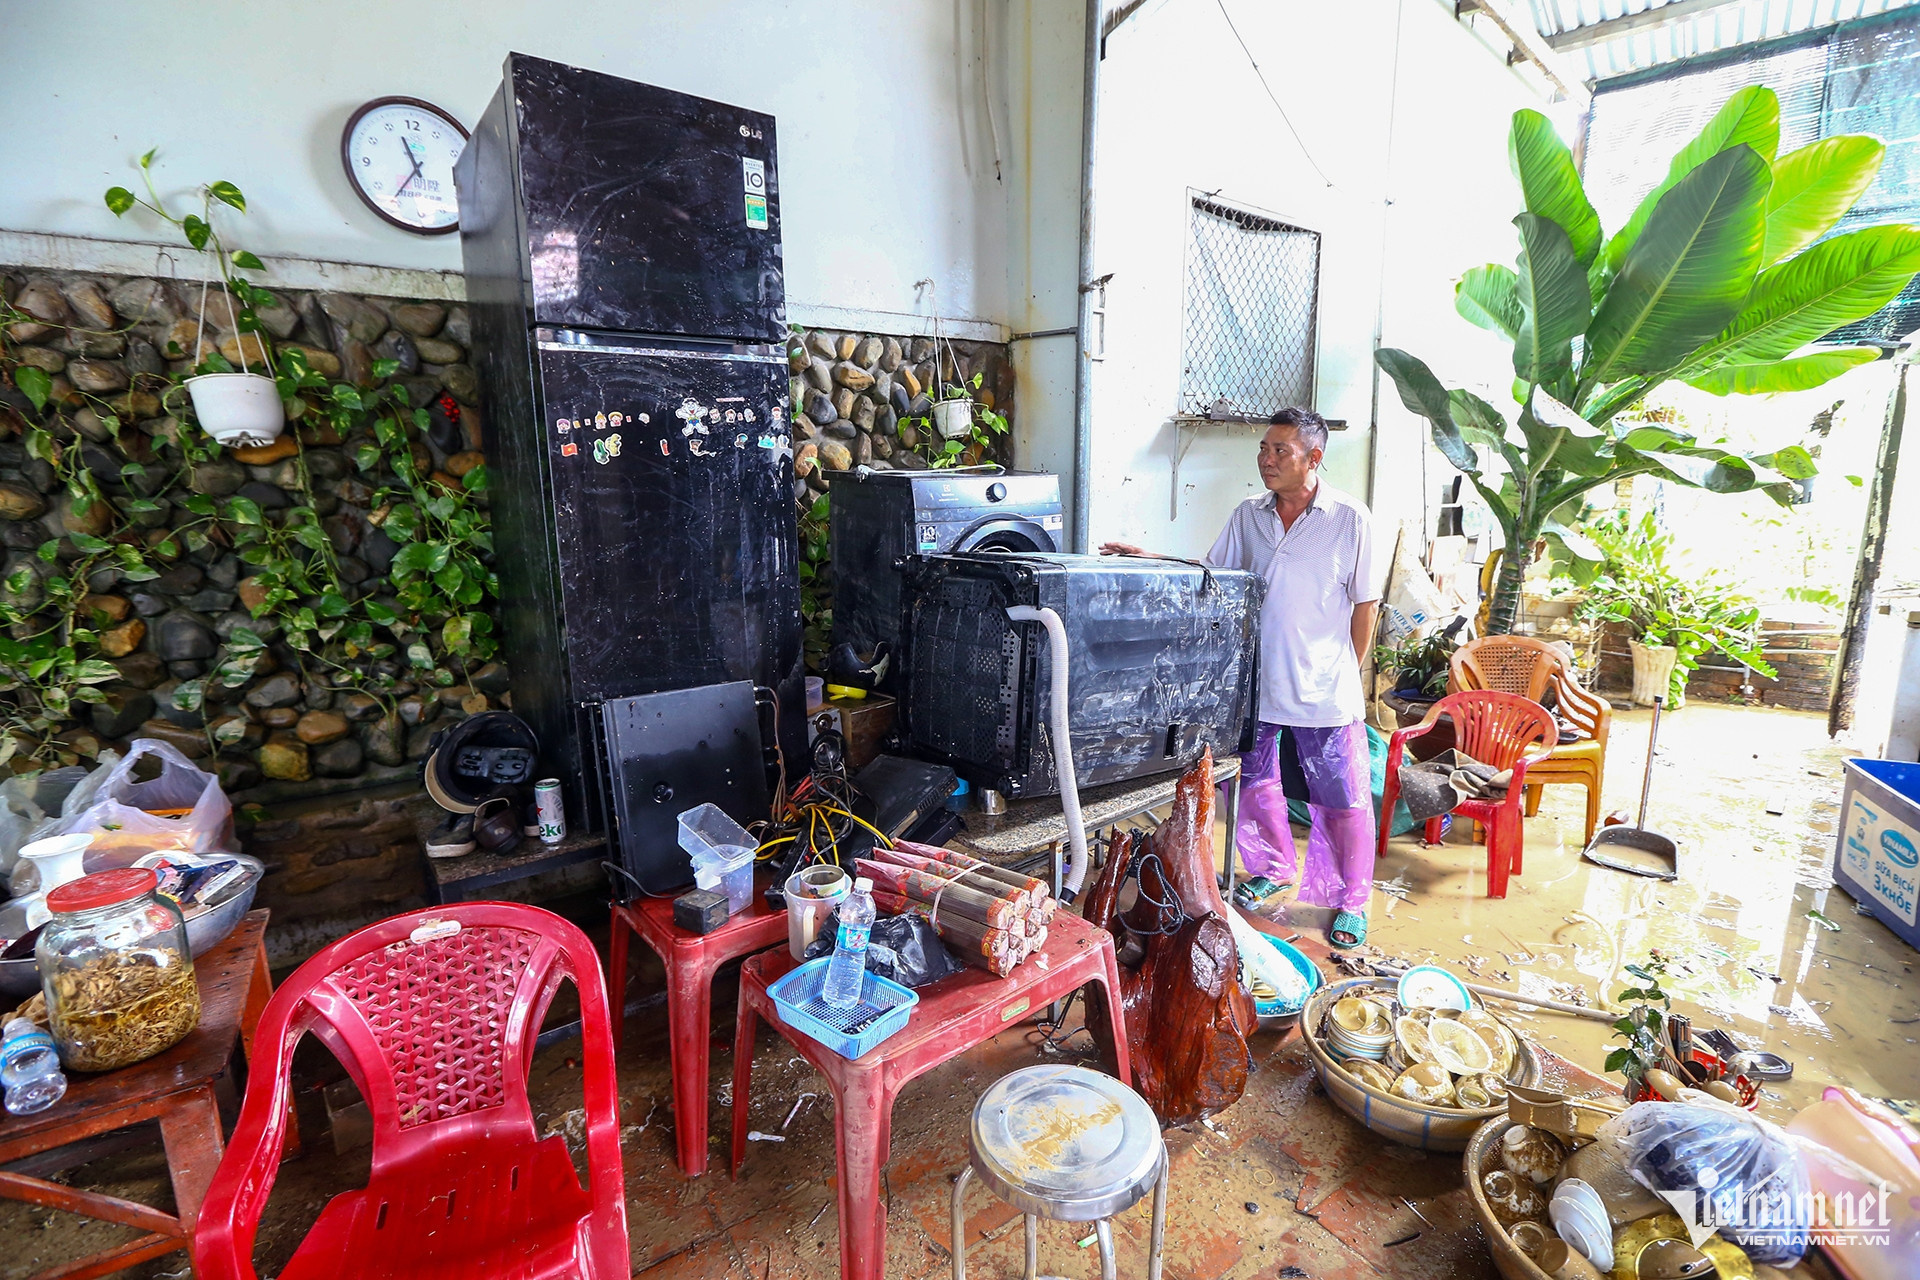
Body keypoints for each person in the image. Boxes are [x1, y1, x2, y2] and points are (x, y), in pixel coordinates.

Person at [1102, 407, 1381, 948]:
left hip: (1324, 687)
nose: (1267, 460)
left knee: (1343, 799)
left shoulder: (1350, 519)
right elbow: (1216, 575)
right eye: (1263, 449)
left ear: (1314, 458)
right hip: (1255, 686)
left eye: (1281, 451)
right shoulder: (1248, 514)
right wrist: (1152, 556)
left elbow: (1365, 605)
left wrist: (1348, 668)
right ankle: (1272, 869)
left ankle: (1352, 899)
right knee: (1252, 786)